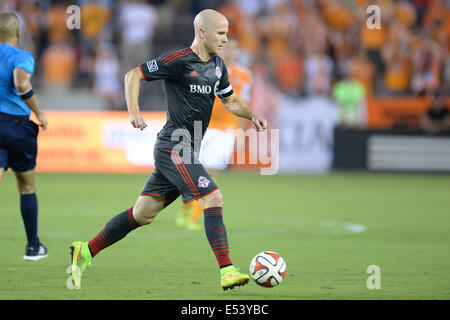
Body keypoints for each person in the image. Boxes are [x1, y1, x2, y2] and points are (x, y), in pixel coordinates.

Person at [69, 9, 267, 291]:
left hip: (189, 149)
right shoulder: (179, 61)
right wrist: (134, 111)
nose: (226, 39)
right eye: (221, 33)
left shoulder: (219, 66)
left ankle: (85, 251)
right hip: (173, 146)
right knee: (213, 197)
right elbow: (132, 76)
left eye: (227, 33)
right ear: (202, 32)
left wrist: (251, 115)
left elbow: (231, 101)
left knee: (143, 214)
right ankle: (227, 270)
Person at [175, 37, 252, 231]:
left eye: (232, 49)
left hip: (226, 130)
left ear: (237, 52)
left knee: (211, 172)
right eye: (225, 48)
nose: (228, 52)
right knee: (192, 171)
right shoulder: (206, 68)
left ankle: (194, 216)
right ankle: (186, 204)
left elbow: (243, 105)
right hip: (202, 126)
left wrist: (241, 133)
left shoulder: (244, 75)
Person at [0, 12, 48, 261]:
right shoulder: (22, 56)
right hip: (17, 126)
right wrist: (39, 112)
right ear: (18, 34)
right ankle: (33, 247)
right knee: (26, 186)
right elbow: (21, 84)